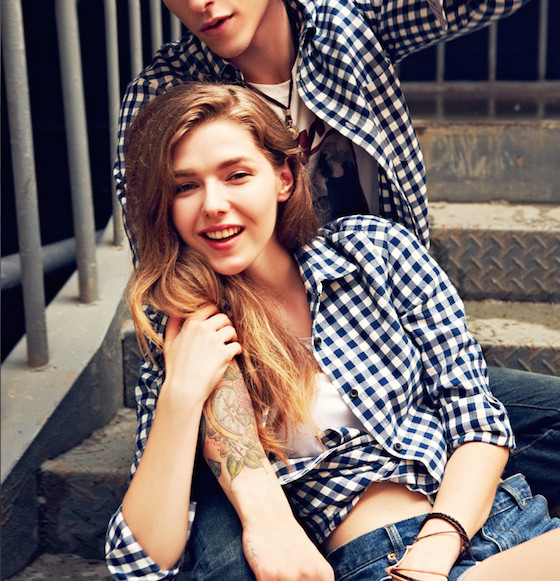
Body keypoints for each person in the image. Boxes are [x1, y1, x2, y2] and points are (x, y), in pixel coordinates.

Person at [113, 0, 560, 521]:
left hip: (377, 342)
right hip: (248, 377)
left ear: (285, 176)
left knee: (491, 434)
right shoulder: (163, 93)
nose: (199, 2)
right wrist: (255, 495)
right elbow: (173, 277)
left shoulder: (348, 29)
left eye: (236, 175)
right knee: (231, 548)